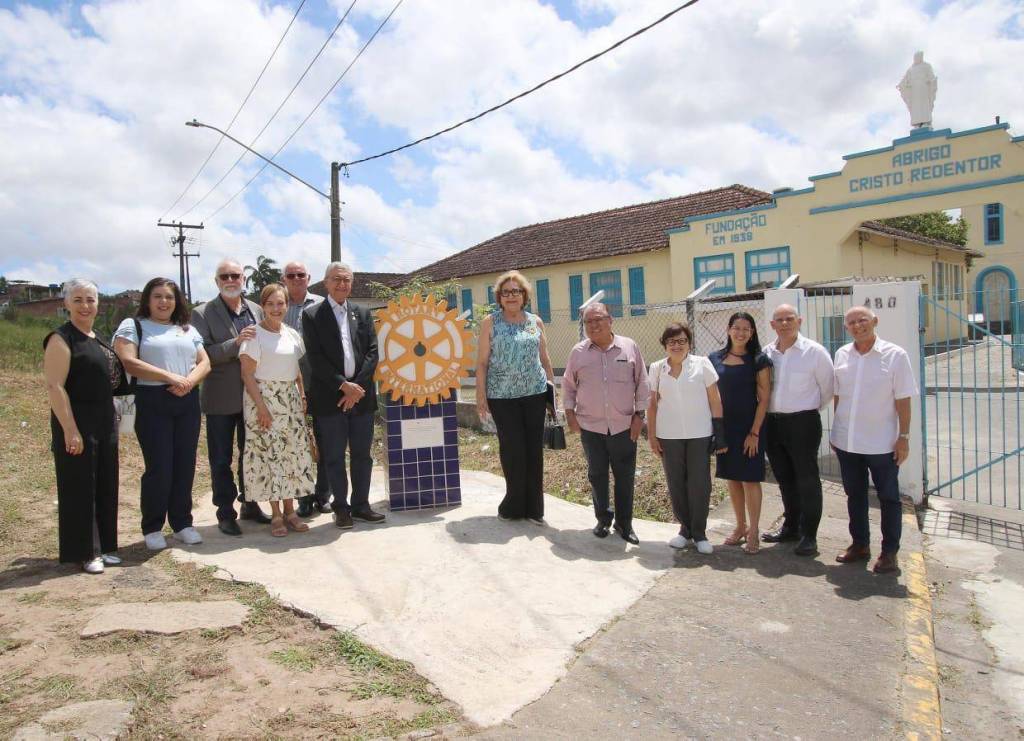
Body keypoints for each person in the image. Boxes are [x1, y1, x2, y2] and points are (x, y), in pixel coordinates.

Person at [114, 278, 210, 550]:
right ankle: (153, 526)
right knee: (159, 466)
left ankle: (182, 523)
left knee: (184, 464)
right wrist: (170, 377)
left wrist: (188, 382)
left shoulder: (187, 329)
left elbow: (205, 362)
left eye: (169, 296)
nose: (163, 301)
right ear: (147, 299)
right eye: (157, 296)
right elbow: (129, 361)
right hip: (151, 400)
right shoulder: (133, 326)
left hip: (187, 400)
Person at [44, 279, 129, 573]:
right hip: (77, 422)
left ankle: (105, 546)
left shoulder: (97, 337)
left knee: (106, 484)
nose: (85, 305)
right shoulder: (61, 338)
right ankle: (86, 551)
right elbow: (55, 386)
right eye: (78, 299)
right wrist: (70, 429)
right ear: (66, 304)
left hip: (104, 422)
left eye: (90, 299)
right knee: (80, 487)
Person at [831, 306, 918, 574]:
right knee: (854, 496)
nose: (858, 326)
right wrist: (837, 430)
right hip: (848, 443)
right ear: (846, 327)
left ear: (875, 321)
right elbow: (838, 396)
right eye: (852, 322)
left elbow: (903, 399)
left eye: (863, 320)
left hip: (882, 444)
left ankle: (889, 553)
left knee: (888, 498)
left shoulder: (895, 355)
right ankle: (860, 545)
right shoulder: (842, 354)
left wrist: (904, 437)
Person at [190, 259, 271, 537]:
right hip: (220, 399)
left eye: (235, 275)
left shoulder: (256, 310)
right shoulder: (201, 313)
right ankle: (225, 512)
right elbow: (203, 355)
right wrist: (236, 343)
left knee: (251, 454)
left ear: (243, 279)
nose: (230, 280)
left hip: (252, 397)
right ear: (216, 281)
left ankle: (250, 503)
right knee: (221, 459)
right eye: (224, 276)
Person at [302, 261, 384, 529]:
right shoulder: (312, 315)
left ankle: (361, 505)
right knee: (334, 457)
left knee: (362, 455)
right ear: (326, 283)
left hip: (361, 398)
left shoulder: (363, 313)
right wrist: (343, 385)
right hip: (330, 398)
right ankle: (341, 508)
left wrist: (356, 388)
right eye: (337, 279)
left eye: (347, 279)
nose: (342, 284)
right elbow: (315, 357)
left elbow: (372, 352)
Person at [562, 303, 649, 544]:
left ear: (610, 320)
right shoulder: (578, 352)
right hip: (591, 427)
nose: (593, 325)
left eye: (598, 319)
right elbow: (568, 386)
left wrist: (640, 416)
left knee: (625, 476)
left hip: (624, 425)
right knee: (597, 475)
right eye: (588, 321)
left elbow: (642, 382)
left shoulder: (629, 347)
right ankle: (603, 519)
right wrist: (569, 414)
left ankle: (624, 524)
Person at [475, 270, 556, 524]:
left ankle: (534, 509)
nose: (511, 296)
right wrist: (480, 394)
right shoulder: (490, 322)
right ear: (499, 297)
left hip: (535, 394)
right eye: (506, 292)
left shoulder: (535, 322)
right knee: (513, 450)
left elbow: (545, 359)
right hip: (502, 396)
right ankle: (513, 505)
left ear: (524, 295)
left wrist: (552, 393)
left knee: (534, 451)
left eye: (516, 291)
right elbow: (482, 363)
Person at [239, 284, 315, 536]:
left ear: (287, 305)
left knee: (290, 455)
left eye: (280, 303)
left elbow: (298, 369)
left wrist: (302, 395)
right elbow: (247, 374)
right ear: (263, 306)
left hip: (290, 401)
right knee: (269, 456)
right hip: (263, 400)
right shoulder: (254, 335)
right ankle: (276, 515)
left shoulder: (292, 334)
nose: (276, 308)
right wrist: (261, 407)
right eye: (270, 304)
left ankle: (291, 511)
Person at [761, 304, 835, 557]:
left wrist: (806, 410)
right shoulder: (766, 353)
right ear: (772, 325)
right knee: (784, 478)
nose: (784, 324)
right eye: (779, 320)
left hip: (803, 423)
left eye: (789, 319)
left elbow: (828, 390)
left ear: (799, 321)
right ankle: (791, 527)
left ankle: (809, 535)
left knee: (807, 479)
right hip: (773, 423)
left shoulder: (815, 352)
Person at [647, 322, 726, 554]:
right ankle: (685, 530)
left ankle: (700, 533)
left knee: (700, 484)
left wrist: (719, 432)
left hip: (699, 433)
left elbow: (715, 399)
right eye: (671, 341)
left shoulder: (702, 364)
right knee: (676, 482)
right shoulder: (657, 368)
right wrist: (652, 436)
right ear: (665, 345)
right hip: (668, 435)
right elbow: (652, 405)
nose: (677, 345)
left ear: (689, 343)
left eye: (682, 341)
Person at [709, 312, 771, 555]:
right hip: (725, 428)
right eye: (736, 327)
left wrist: (754, 433)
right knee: (732, 477)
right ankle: (740, 526)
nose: (741, 332)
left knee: (750, 478)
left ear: (752, 333)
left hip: (749, 429)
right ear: (728, 330)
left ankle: (753, 530)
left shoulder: (759, 360)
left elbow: (764, 398)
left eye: (746, 328)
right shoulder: (714, 358)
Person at [282, 260, 330, 518]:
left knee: (324, 440)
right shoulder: (278, 305)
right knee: (296, 444)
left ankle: (323, 494)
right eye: (291, 275)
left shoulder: (322, 304)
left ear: (309, 278)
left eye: (301, 274)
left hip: (321, 384)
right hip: (288, 385)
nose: (296, 278)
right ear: (284, 279)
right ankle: (303, 496)